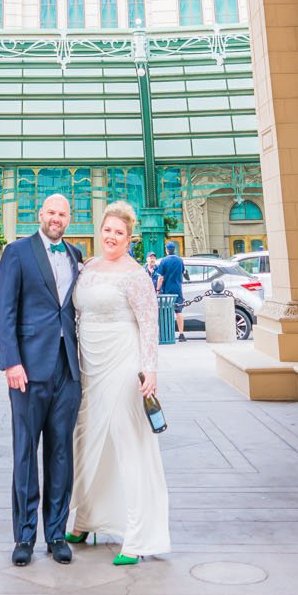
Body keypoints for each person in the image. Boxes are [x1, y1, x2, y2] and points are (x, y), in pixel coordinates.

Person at [67, 201, 170, 566]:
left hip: (123, 362)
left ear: (130, 238)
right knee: (87, 437)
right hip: (88, 364)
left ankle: (138, 536)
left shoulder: (136, 274)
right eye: (107, 230)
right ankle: (85, 518)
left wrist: (149, 370)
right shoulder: (87, 267)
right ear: (101, 231)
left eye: (119, 233)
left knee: (128, 441)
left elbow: (149, 324)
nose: (111, 236)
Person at [0, 192, 82, 567]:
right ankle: (25, 536)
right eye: (51, 212)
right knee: (26, 453)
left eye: (62, 214)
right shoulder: (17, 252)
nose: (56, 218)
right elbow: (4, 309)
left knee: (62, 453)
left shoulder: (77, 256)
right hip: (27, 370)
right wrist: (11, 362)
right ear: (40, 215)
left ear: (68, 218)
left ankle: (57, 534)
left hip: (67, 369)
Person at [154, 240, 187, 341]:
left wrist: (158, 289)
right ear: (174, 250)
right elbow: (183, 272)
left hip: (167, 290)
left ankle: (167, 334)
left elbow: (160, 278)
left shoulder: (164, 261)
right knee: (179, 312)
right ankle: (181, 334)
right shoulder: (179, 260)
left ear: (167, 250)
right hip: (178, 289)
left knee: (166, 312)